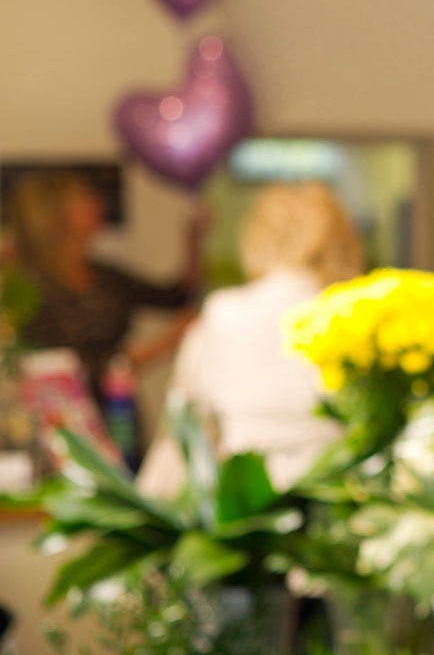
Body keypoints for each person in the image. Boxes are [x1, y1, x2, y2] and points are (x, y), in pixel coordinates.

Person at [137, 182, 362, 496]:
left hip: (245, 510)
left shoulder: (221, 314)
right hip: (339, 501)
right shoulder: (355, 316)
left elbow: (185, 426)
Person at [5, 171, 203, 407]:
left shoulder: (105, 276)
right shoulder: (32, 292)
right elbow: (82, 370)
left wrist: (194, 242)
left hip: (119, 408)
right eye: (84, 201)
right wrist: (166, 341)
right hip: (66, 418)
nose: (97, 204)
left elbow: (176, 297)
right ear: (56, 218)